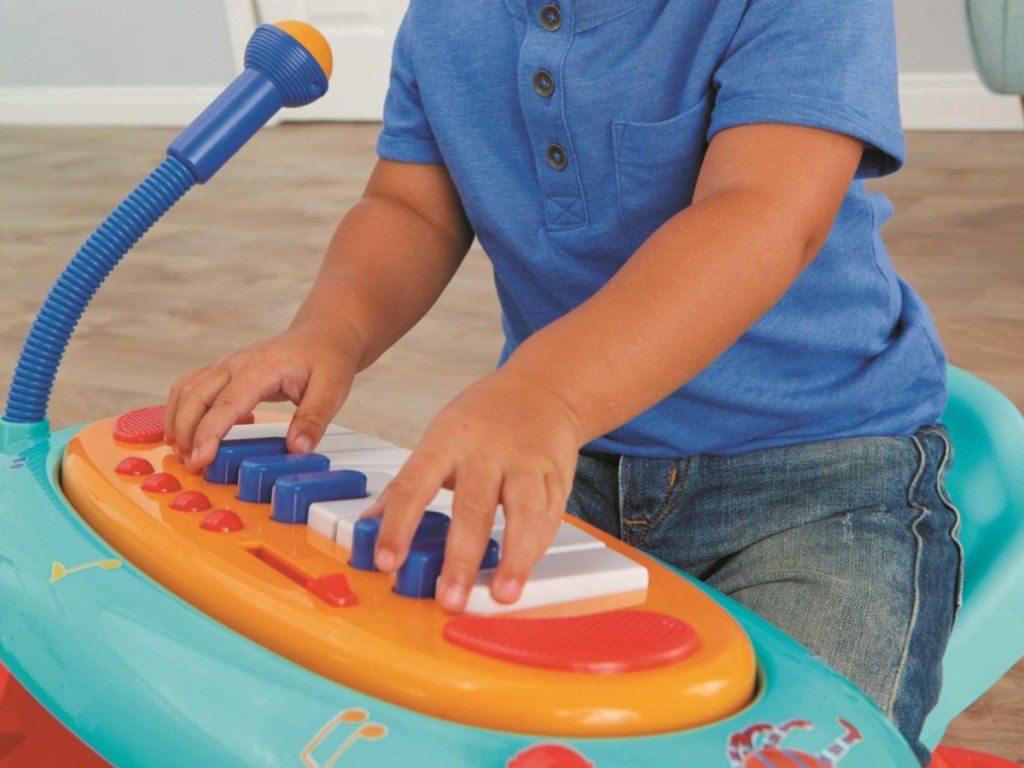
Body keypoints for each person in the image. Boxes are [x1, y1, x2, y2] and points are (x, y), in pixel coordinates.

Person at [164, 0, 961, 763]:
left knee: (796, 743)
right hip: (567, 473)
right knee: (450, 722)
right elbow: (411, 207)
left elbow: (763, 210)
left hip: (820, 476)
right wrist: (332, 328)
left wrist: (547, 391)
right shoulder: (447, 16)